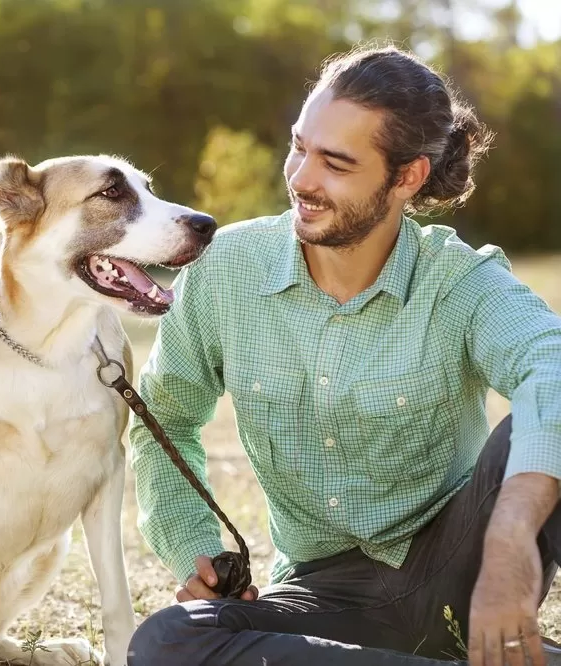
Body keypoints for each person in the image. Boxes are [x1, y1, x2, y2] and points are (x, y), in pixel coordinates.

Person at [126, 44, 561, 666]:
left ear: (406, 176)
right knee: (170, 640)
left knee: (541, 423)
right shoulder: (223, 269)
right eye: (300, 147)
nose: (302, 178)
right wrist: (198, 553)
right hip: (320, 592)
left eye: (335, 161)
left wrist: (513, 537)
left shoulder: (459, 282)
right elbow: (164, 418)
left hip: (462, 563)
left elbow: (553, 366)